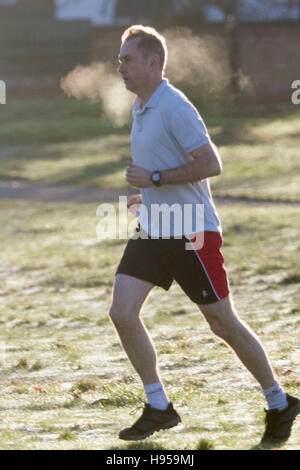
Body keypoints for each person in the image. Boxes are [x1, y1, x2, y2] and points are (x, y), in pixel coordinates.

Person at [108, 25, 300, 445]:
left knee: (221, 323)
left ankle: (278, 400)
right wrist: (146, 197)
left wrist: (154, 178)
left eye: (127, 59)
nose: (119, 66)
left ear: (153, 63)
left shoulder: (174, 106)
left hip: (191, 233)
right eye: (120, 59)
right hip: (155, 231)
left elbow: (211, 163)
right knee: (122, 311)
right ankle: (158, 406)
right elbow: (159, 172)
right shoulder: (142, 107)